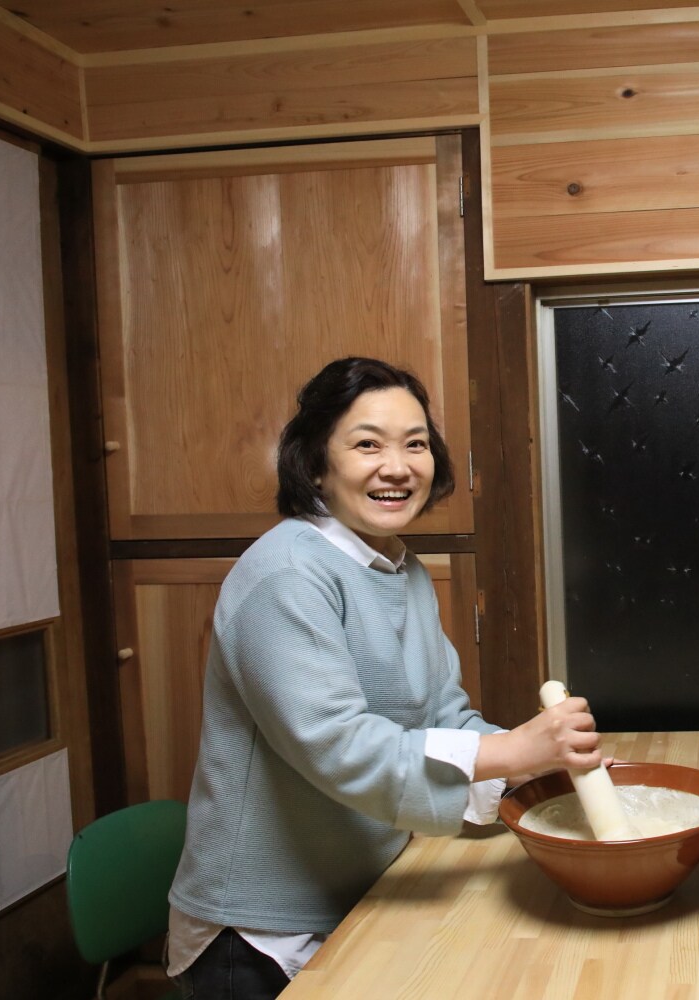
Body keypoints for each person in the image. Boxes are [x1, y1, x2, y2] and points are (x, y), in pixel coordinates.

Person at [166, 357, 604, 1000]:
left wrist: (535, 771)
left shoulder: (402, 568)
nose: (397, 466)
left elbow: (443, 714)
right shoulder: (285, 574)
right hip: (261, 933)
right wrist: (514, 748)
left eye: (416, 444)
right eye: (367, 443)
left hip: (367, 891)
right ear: (315, 463)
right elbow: (336, 745)